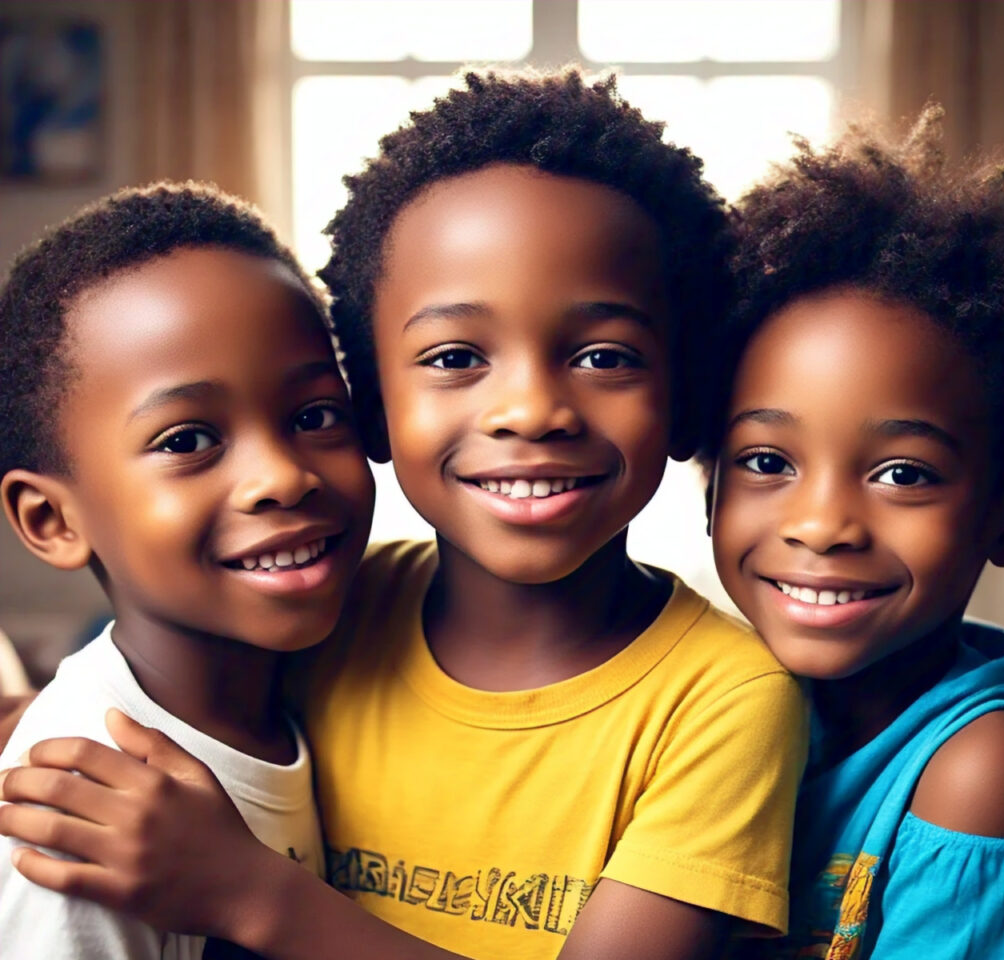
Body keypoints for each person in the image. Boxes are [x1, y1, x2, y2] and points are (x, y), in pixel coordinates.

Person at [0, 70, 806, 960]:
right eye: (457, 355)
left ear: (685, 395)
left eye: (605, 355)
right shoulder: (327, 616)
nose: (532, 410)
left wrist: (254, 896)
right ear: (376, 406)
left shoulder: (724, 701)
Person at [0, 182, 375, 959]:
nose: (282, 475)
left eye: (315, 416)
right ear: (53, 520)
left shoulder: (314, 690)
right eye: (185, 440)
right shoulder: (82, 807)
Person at [706, 108, 1004, 957]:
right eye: (768, 461)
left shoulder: (983, 767)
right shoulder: (712, 704)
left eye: (904, 475)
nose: (822, 525)